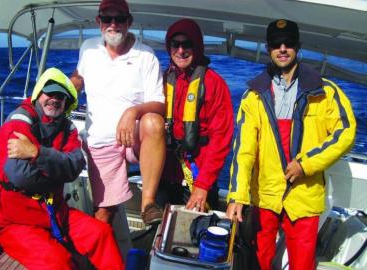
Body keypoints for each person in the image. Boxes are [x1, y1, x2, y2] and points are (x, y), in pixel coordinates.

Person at [226, 19, 356, 270]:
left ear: (299, 46)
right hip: (265, 195)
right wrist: (237, 196)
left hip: (304, 195)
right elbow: (244, 151)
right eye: (276, 44)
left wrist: (306, 164)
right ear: (268, 47)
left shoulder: (325, 91)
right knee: (256, 261)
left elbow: (346, 132)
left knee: (303, 264)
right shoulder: (252, 96)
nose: (282, 48)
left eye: (289, 43)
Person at [0, 68, 124, 269]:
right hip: (16, 222)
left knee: (101, 233)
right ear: (37, 95)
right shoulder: (18, 123)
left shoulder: (67, 128)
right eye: (49, 93)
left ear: (67, 102)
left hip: (56, 213)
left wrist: (37, 153)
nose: (55, 99)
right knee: (57, 262)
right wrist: (59, 170)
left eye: (61, 96)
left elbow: (76, 166)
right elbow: (20, 176)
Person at [70, 0, 165, 225]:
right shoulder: (88, 49)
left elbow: (160, 105)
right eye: (107, 18)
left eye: (120, 19)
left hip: (135, 138)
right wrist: (67, 85)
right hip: (101, 140)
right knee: (103, 215)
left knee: (153, 121)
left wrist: (132, 112)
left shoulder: (147, 56)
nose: (113, 24)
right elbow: (78, 76)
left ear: (129, 22)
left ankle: (148, 203)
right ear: (98, 22)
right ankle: (101, 256)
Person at [159, 18, 234, 212]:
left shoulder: (215, 84)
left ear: (198, 47)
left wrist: (202, 186)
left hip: (198, 179)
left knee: (195, 236)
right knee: (159, 232)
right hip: (164, 174)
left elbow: (221, 139)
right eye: (175, 44)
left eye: (187, 44)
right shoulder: (160, 79)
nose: (181, 51)